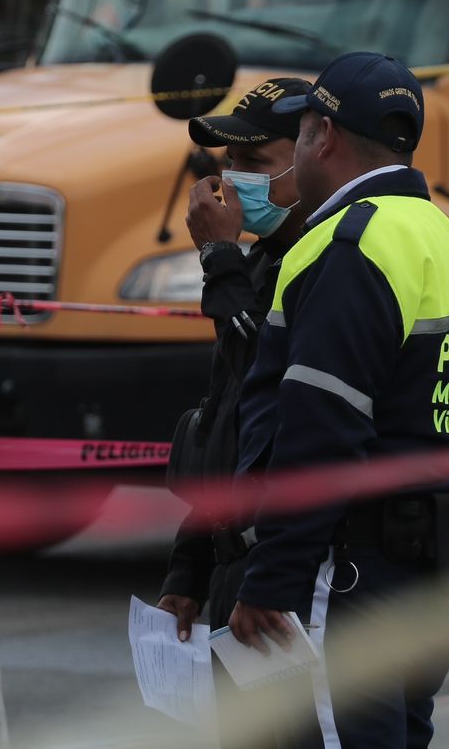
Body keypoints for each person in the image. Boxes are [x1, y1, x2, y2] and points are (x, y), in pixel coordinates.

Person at [226, 52, 449, 748]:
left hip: (348, 576)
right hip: (427, 579)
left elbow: (322, 434)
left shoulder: (348, 246)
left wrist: (270, 581)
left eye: (300, 136)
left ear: (321, 134)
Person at [156, 77, 312, 651]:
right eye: (229, 161)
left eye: (255, 160)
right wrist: (189, 568)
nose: (233, 178)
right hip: (231, 572)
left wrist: (217, 257)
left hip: (278, 581)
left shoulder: (323, 266)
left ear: (312, 154)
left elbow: (268, 386)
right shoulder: (258, 264)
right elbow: (228, 424)